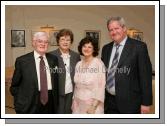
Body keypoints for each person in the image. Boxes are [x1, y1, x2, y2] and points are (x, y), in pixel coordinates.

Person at [101, 16, 152, 114]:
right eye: (111, 30)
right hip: (109, 101)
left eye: (116, 28)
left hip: (131, 103)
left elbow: (145, 76)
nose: (114, 32)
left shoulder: (139, 47)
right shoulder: (106, 49)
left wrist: (146, 103)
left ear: (124, 28)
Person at [10, 32, 59, 114]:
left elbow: (56, 81)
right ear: (33, 43)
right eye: (40, 41)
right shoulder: (22, 61)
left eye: (46, 42)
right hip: (29, 103)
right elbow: (14, 86)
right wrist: (19, 101)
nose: (43, 44)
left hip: (50, 102)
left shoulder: (53, 59)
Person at [72, 36, 106, 114]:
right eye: (84, 46)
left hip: (92, 106)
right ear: (81, 48)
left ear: (94, 49)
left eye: (89, 47)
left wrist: (93, 107)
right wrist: (74, 102)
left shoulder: (98, 64)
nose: (86, 49)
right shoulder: (78, 64)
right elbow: (76, 86)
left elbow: (101, 88)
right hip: (77, 104)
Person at [50, 29, 80, 114]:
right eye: (62, 39)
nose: (65, 42)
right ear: (58, 41)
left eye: (68, 40)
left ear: (71, 42)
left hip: (71, 93)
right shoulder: (51, 55)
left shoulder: (76, 56)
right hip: (57, 94)